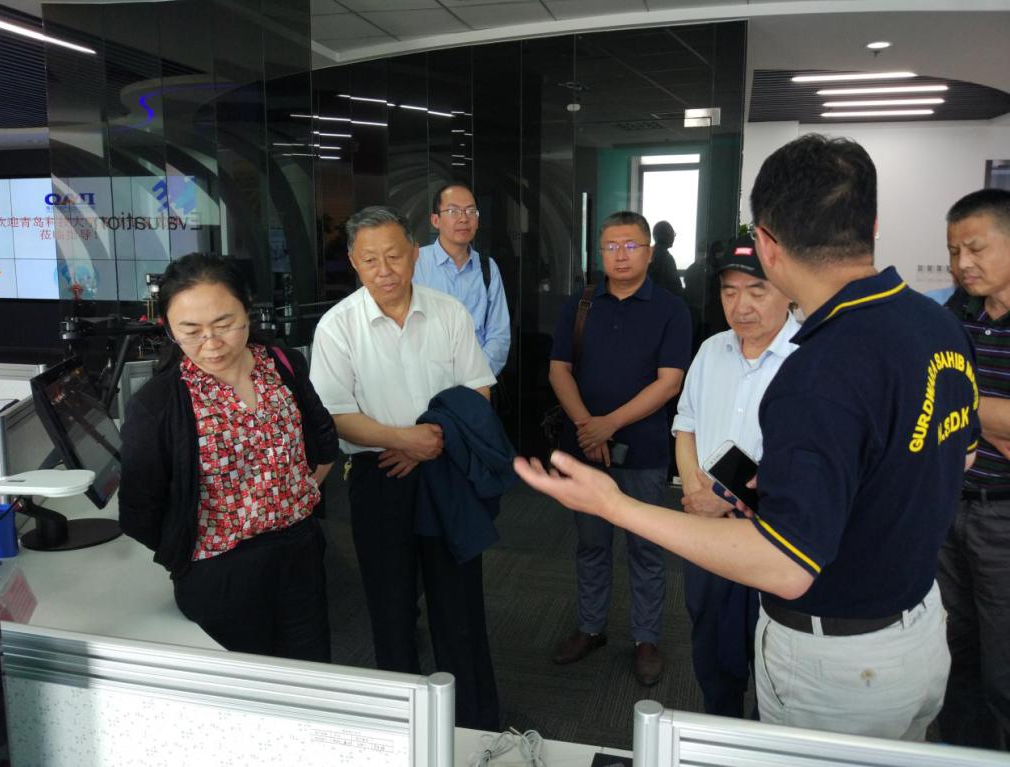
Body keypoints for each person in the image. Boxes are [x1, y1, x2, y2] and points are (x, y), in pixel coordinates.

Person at [516, 134, 979, 741]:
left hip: (841, 663)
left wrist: (614, 505)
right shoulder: (936, 324)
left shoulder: (816, 369)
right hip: (918, 629)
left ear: (768, 243)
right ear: (870, 226)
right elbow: (959, 454)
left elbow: (786, 568)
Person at [309, 205, 501, 730]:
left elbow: (477, 391)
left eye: (394, 255)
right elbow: (334, 415)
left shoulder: (449, 313)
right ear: (354, 262)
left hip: (446, 468)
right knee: (390, 607)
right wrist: (403, 440)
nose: (385, 269)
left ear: (415, 253)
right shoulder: (337, 326)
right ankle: (405, 727)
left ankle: (474, 724)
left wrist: (430, 439)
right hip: (379, 477)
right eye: (370, 259)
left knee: (458, 605)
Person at [119, 253, 338, 662]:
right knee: (242, 685)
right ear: (169, 328)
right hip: (220, 571)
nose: (211, 343)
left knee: (310, 673)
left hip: (299, 552)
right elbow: (139, 512)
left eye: (224, 324)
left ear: (247, 310)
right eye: (191, 331)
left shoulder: (281, 363)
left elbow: (323, 439)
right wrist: (189, 548)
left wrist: (295, 497)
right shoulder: (158, 404)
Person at [548, 210, 690, 686]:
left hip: (644, 450)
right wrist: (587, 427)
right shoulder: (580, 304)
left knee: (645, 547)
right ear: (600, 252)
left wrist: (608, 424)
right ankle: (591, 627)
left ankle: (646, 638)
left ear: (649, 252)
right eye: (611, 246)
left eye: (631, 245)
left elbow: (669, 383)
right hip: (585, 449)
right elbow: (558, 370)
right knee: (591, 544)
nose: (621, 255)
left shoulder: (671, 309)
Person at [672, 234, 799, 717]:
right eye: (729, 291)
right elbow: (686, 424)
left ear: (787, 289)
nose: (741, 306)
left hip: (773, 538)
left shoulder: (809, 357)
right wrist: (694, 488)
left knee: (771, 660)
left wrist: (724, 499)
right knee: (711, 648)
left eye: (756, 290)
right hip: (708, 531)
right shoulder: (711, 351)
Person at [940, 187, 1010, 751]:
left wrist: (958, 402)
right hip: (947, 506)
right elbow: (923, 387)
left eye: (976, 248)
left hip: (1002, 516)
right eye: (953, 251)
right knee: (950, 649)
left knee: (1003, 658)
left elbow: (941, 394)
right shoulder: (955, 314)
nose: (963, 263)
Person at [414, 183, 511, 375]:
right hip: (426, 380)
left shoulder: (488, 267)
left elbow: (499, 335)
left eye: (471, 211)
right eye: (453, 211)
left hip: (477, 380)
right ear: (435, 220)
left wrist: (476, 377)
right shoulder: (415, 263)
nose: (464, 218)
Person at [649, 220, 683, 296]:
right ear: (666, 236)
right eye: (672, 234)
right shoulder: (667, 258)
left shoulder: (648, 254)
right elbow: (676, 288)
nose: (674, 237)